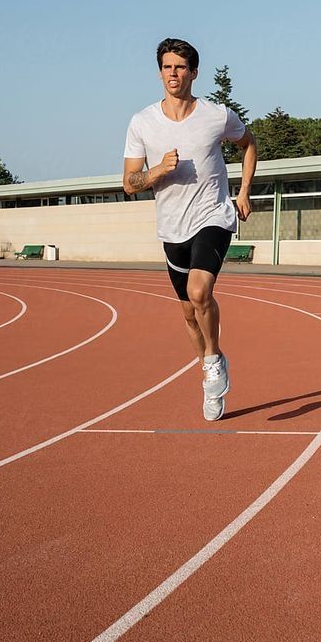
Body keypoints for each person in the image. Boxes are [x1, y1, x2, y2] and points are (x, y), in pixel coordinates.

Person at [123, 37, 258, 421]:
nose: (173, 74)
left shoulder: (217, 116)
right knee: (187, 313)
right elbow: (129, 182)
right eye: (167, 67)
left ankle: (214, 360)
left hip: (212, 215)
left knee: (201, 292)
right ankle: (207, 368)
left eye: (180, 67)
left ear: (193, 73)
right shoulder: (142, 122)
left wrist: (244, 192)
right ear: (160, 72)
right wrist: (157, 171)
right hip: (172, 227)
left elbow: (249, 145)